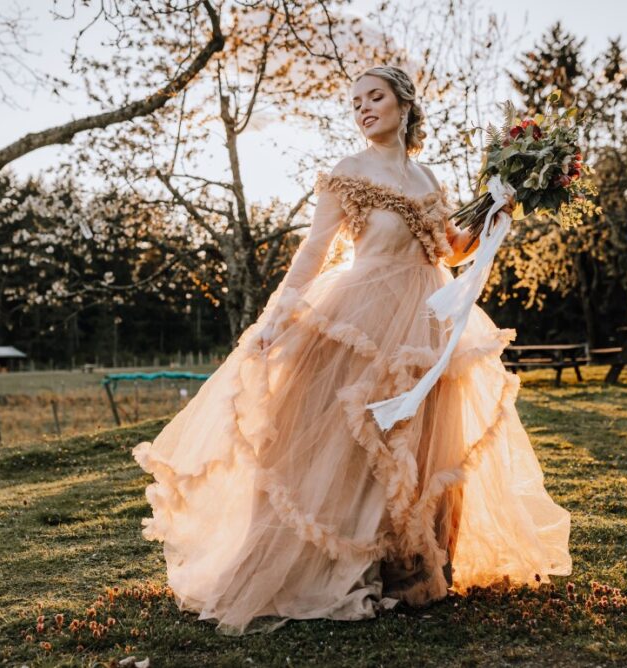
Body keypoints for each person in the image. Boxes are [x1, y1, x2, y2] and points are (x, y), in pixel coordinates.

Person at [132, 65, 571, 636]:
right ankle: (342, 565)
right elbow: (314, 251)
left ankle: (407, 569)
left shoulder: (429, 178)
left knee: (420, 442)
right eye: (356, 101)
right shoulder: (348, 172)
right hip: (361, 315)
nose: (363, 108)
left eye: (375, 97)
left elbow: (449, 251)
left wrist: (499, 207)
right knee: (351, 442)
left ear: (404, 104)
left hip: (426, 321)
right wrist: (276, 315)